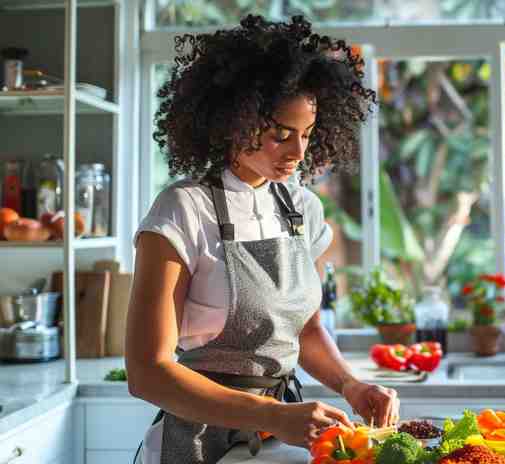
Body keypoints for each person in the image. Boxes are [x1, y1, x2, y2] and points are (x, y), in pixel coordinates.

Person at [126, 15, 398, 464]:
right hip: (199, 442)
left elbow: (305, 330)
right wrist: (271, 414)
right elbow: (147, 373)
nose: (297, 152)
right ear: (234, 120)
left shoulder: (301, 208)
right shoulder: (182, 209)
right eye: (280, 135)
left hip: (280, 440)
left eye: (307, 134)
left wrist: (351, 384)